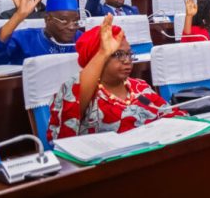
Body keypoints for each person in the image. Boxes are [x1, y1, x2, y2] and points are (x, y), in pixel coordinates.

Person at [47, 15, 187, 143]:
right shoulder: (84, 94)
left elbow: (171, 115)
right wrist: (103, 53)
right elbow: (68, 120)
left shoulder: (139, 86)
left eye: (128, 54)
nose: (127, 60)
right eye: (118, 54)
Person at [0, 0, 81, 64]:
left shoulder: (80, 38)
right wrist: (18, 16)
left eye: (76, 21)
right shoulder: (24, 38)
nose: (72, 27)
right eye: (64, 20)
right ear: (48, 19)